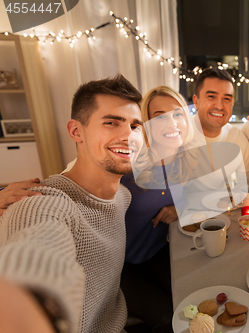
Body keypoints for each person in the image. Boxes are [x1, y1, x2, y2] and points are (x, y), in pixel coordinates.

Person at [0, 75, 144, 332]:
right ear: (76, 131)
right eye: (112, 122)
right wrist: (31, 303)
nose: (128, 135)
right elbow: (37, 250)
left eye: (135, 126)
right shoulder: (42, 202)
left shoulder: (123, 196)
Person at [120, 85, 201, 332]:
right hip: (119, 266)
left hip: (156, 252)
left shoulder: (187, 161)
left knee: (192, 301)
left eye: (177, 113)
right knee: (167, 318)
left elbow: (212, 192)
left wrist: (179, 208)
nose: (171, 122)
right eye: (158, 116)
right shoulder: (129, 162)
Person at [191, 68, 249, 190]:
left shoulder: (237, 138)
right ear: (196, 101)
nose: (219, 106)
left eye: (226, 99)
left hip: (222, 206)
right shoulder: (180, 133)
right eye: (211, 96)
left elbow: (248, 183)